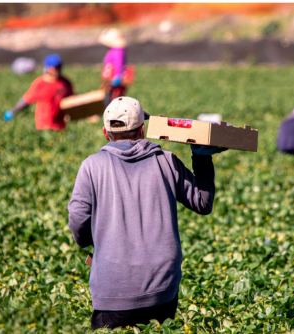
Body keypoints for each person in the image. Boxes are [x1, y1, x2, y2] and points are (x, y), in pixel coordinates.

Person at [67, 96, 226, 329]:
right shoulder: (166, 161)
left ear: (105, 133)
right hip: (161, 290)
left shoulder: (92, 166)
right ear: (142, 130)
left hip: (112, 292)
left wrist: (94, 245)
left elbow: (78, 219)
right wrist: (201, 158)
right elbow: (202, 202)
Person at [4, 54, 73, 131]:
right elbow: (26, 100)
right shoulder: (40, 83)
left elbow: (72, 100)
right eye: (55, 67)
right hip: (44, 126)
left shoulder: (65, 83)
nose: (57, 70)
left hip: (61, 126)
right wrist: (13, 111)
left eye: (59, 67)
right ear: (48, 68)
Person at [99, 28, 129, 107]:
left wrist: (117, 78)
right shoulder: (113, 50)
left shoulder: (118, 51)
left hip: (114, 83)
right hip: (110, 82)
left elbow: (118, 65)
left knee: (114, 103)